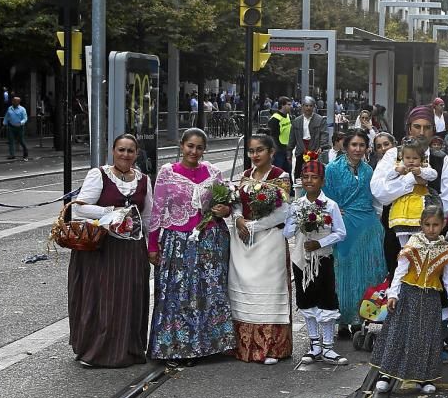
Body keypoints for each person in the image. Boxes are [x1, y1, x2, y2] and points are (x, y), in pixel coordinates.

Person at [147, 129, 237, 362]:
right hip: (176, 242)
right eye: (190, 146)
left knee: (209, 293)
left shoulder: (214, 172)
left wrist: (225, 210)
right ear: (181, 145)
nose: (193, 151)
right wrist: (153, 245)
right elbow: (157, 211)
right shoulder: (167, 173)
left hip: (210, 241)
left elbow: (227, 203)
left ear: (204, 149)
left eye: (198, 147)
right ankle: (174, 346)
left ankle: (211, 345)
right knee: (177, 294)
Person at [68, 134, 152, 367]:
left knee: (129, 298)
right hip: (103, 248)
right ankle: (96, 351)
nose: (125, 155)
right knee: (103, 299)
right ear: (113, 151)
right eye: (121, 150)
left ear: (136, 154)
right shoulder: (99, 175)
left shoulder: (144, 179)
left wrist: (152, 247)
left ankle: (128, 349)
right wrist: (111, 212)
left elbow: (148, 217)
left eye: (130, 151)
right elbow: (80, 210)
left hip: (132, 248)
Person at [373, 205, 448, 393]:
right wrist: (393, 294)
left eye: (435, 225)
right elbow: (400, 270)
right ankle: (386, 374)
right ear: (421, 224)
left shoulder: (447, 250)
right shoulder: (413, 244)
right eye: (427, 224)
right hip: (408, 295)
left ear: (443, 224)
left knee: (427, 336)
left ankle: (425, 376)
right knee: (399, 332)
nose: (431, 229)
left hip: (431, 298)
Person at [227, 134, 293, 364]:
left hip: (268, 241)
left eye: (259, 150)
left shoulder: (280, 177)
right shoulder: (245, 176)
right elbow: (235, 203)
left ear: (271, 152)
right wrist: (237, 219)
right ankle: (243, 346)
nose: (254, 155)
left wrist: (253, 225)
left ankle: (271, 347)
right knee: (244, 289)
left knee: (269, 292)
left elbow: (283, 212)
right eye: (251, 151)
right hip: (243, 243)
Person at [283, 156, 349, 366]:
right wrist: (297, 223)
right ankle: (314, 345)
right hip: (302, 261)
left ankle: (328, 346)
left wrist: (320, 243)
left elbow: (341, 233)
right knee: (306, 299)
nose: (309, 181)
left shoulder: (330, 205)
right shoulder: (297, 205)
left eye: (314, 177)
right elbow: (286, 233)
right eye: (305, 177)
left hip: (322, 260)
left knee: (326, 300)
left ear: (322, 181)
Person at [325, 128, 387, 333]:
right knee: (343, 270)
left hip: (368, 226)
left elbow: (375, 197)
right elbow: (326, 196)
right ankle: (343, 319)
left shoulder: (369, 170)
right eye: (354, 145)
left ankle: (362, 318)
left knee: (367, 272)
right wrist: (334, 210)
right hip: (343, 224)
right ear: (346, 146)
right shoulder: (332, 169)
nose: (358, 149)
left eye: (362, 145)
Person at [289, 97, 327, 179]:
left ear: (314, 107)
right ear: (302, 106)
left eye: (310, 106)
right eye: (306, 105)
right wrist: (289, 152)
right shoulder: (296, 121)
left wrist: (322, 146)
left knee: (315, 174)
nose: (308, 108)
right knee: (299, 175)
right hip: (301, 150)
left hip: (315, 150)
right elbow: (292, 138)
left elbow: (324, 134)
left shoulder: (320, 120)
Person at [268, 97, 293, 170]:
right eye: (288, 104)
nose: (290, 106)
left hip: (286, 148)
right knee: (278, 171)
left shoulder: (288, 116)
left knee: (287, 171)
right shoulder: (275, 119)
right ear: (282, 105)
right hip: (278, 150)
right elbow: (272, 136)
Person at [3, 95, 29, 160]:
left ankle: (25, 151)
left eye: (15, 101)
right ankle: (12, 155)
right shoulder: (9, 108)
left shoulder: (22, 109)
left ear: (18, 102)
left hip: (19, 127)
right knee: (11, 141)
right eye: (13, 101)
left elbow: (25, 118)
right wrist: (4, 123)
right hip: (11, 127)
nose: (13, 102)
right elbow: (7, 116)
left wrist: (21, 122)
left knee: (21, 140)